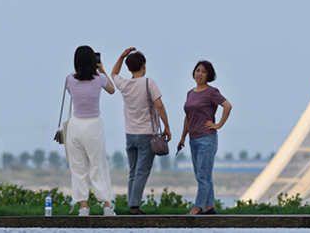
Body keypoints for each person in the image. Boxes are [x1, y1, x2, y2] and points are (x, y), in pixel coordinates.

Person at [111, 46, 172, 215]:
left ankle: (132, 204)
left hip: (129, 134)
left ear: (129, 68)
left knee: (133, 171)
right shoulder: (148, 82)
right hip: (147, 135)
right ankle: (134, 207)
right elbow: (159, 105)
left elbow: (114, 73)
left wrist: (121, 56)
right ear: (144, 65)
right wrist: (167, 126)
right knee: (142, 171)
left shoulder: (124, 84)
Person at [64, 45, 116, 217]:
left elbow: (72, 93)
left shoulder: (69, 80)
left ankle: (83, 207)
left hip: (75, 125)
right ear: (94, 61)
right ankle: (107, 206)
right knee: (98, 165)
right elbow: (111, 90)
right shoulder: (100, 78)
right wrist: (102, 70)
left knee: (78, 167)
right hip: (93, 125)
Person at [177, 60, 231, 216]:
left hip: (207, 138)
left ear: (209, 75)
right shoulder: (190, 93)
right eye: (197, 70)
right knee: (202, 174)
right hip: (193, 139)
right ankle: (209, 206)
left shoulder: (212, 92)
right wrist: (182, 137)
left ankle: (198, 207)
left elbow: (227, 106)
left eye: (203, 72)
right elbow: (188, 116)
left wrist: (218, 124)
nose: (199, 74)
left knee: (202, 175)